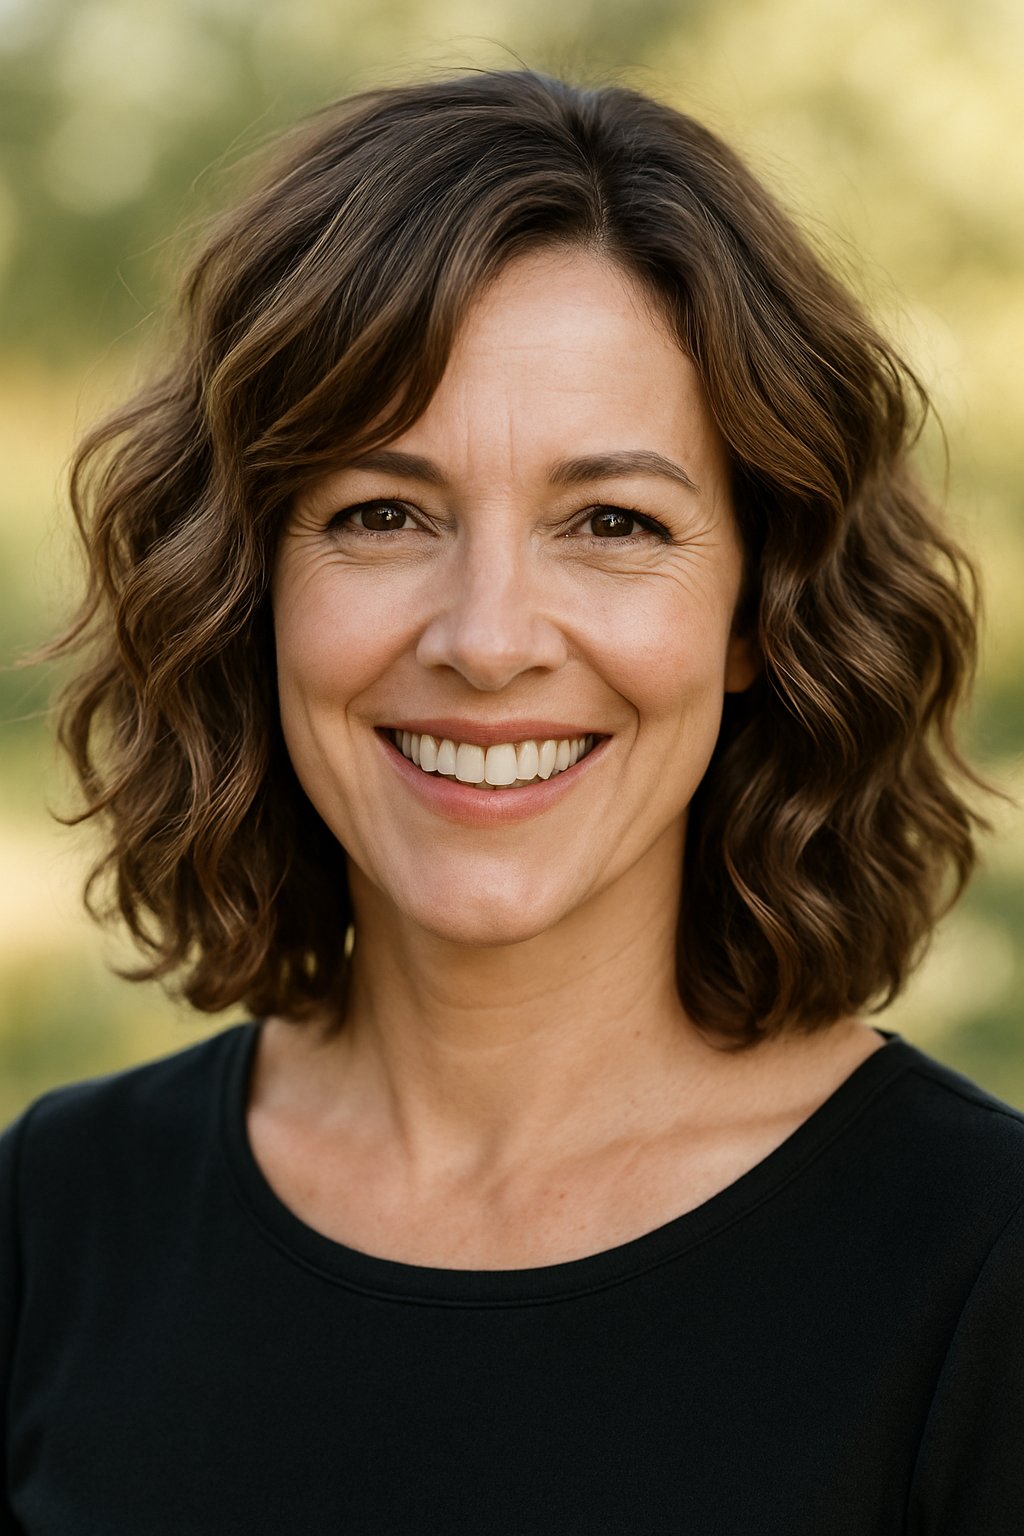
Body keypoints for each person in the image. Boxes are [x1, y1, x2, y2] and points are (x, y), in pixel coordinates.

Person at [2, 66, 1022, 1534]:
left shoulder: (978, 1273)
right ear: (251, 592)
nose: (486, 638)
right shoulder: (58, 1224)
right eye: (382, 515)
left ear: (758, 607)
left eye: (612, 523)